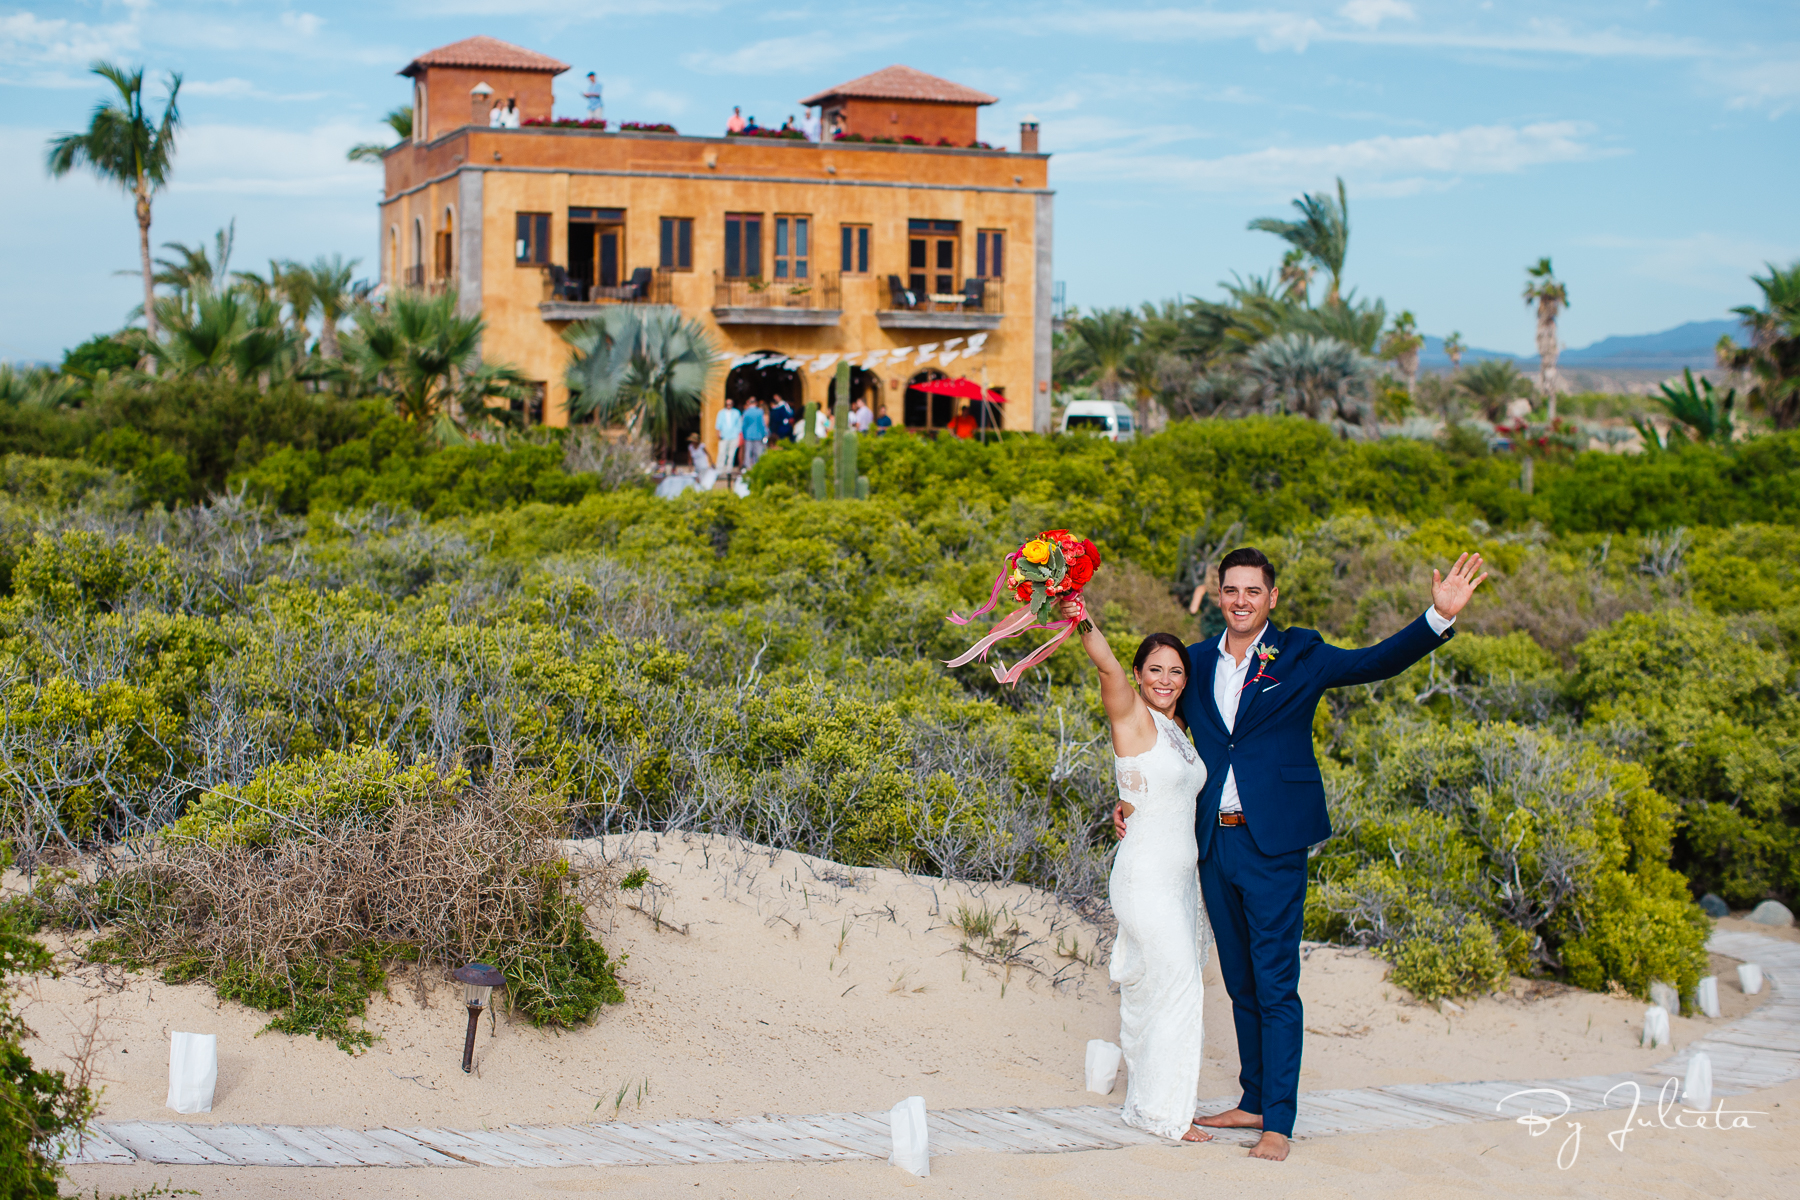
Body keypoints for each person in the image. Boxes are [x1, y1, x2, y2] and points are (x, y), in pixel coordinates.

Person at [1125, 546, 1487, 1161]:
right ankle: (1254, 1097)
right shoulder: (1194, 660)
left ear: (1271, 598)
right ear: (1219, 595)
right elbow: (1150, 724)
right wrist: (1131, 797)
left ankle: (1280, 1124)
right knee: (1238, 979)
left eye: (1253, 592)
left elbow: (1376, 662)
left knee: (1275, 982)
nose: (1241, 601)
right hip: (1211, 843)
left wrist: (1437, 617)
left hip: (1275, 844)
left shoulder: (1300, 654)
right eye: (1231, 590)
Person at [1061, 597, 1212, 1144]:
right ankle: (1167, 1114)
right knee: (1178, 986)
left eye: (1176, 671)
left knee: (1158, 991)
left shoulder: (1180, 734)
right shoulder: (1133, 717)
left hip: (1181, 882)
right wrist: (1080, 614)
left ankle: (1158, 1103)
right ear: (1139, 676)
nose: (1167, 679)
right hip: (1145, 876)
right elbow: (1103, 665)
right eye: (1155, 670)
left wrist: (1123, 802)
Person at [714, 399, 743, 473]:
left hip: (733, 436)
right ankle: (719, 469)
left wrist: (738, 435)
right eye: (727, 404)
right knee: (722, 453)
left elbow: (739, 425)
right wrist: (718, 433)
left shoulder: (736, 413)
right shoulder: (721, 413)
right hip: (724, 436)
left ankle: (728, 469)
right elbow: (718, 424)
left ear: (732, 404)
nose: (728, 405)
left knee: (731, 454)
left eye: (730, 404)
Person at [741, 397, 769, 469]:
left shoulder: (746, 412)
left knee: (748, 451)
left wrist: (744, 434)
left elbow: (744, 425)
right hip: (758, 434)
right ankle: (757, 466)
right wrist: (764, 433)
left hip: (748, 435)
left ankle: (748, 466)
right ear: (756, 403)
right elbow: (761, 424)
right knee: (758, 451)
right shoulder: (759, 412)